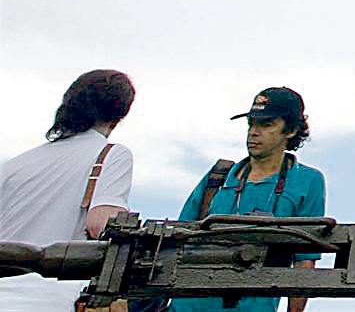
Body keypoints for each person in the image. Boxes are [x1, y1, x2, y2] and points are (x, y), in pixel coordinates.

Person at [169, 88, 326, 312]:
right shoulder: (219, 176)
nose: (254, 132)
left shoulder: (307, 180)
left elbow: (305, 261)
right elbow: (176, 240)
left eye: (266, 124)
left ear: (290, 130)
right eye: (251, 124)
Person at [0, 71, 136, 312]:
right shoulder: (111, 155)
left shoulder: (14, 165)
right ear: (120, 116)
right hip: (53, 298)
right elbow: (102, 226)